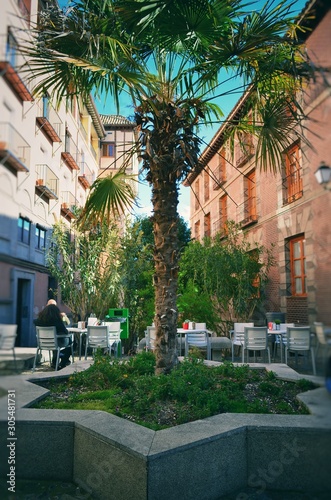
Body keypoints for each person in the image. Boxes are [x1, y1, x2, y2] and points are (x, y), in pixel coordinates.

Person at [35, 303, 72, 369]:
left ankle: (55, 362)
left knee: (56, 342)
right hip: (55, 343)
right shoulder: (57, 321)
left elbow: (34, 321)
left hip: (42, 343)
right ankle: (63, 362)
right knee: (70, 341)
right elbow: (65, 332)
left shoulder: (38, 322)